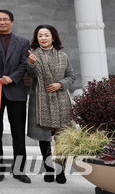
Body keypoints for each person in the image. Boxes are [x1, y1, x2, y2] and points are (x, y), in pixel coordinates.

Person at [0, 10, 31, 183]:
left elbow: (25, 63)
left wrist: (12, 78)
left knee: (18, 132)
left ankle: (19, 170)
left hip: (16, 91)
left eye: (5, 19)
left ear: (12, 21)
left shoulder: (23, 42)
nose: (2, 22)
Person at [27, 24, 75, 184]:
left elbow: (71, 77)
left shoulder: (63, 56)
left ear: (53, 37)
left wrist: (60, 84)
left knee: (62, 138)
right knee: (44, 138)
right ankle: (48, 169)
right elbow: (31, 76)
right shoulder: (32, 55)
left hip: (61, 101)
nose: (43, 38)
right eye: (40, 35)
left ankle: (61, 170)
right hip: (40, 101)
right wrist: (31, 63)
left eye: (46, 35)